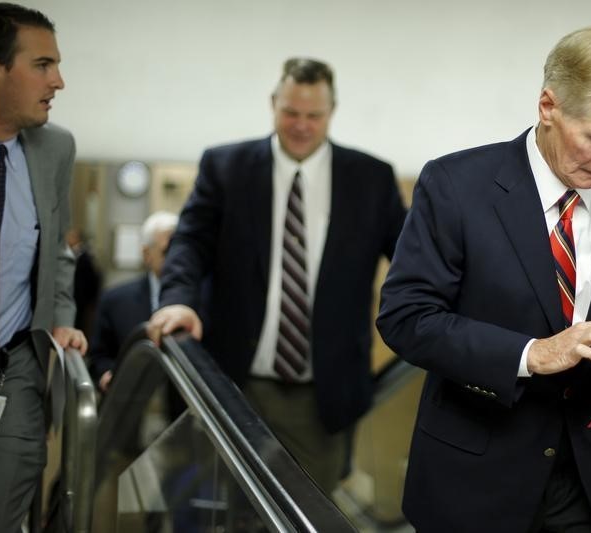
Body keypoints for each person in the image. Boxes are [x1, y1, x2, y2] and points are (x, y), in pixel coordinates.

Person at [376, 26, 591, 533]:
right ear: (549, 106)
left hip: (589, 483)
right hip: (474, 480)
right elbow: (407, 318)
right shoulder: (455, 185)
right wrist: (533, 354)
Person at [149, 57, 407, 494]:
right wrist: (178, 299)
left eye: (313, 115)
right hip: (233, 381)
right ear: (273, 104)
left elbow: (409, 257)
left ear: (332, 111)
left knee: (307, 511)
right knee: (220, 506)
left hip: (322, 392)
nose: (301, 125)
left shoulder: (370, 178)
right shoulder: (225, 167)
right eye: (290, 112)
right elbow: (190, 243)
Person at [0, 4, 86, 531]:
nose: (59, 81)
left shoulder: (55, 149)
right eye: (43, 65)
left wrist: (62, 318)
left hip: (18, 371)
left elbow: (59, 255)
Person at [89, 211, 178, 393]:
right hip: (130, 404)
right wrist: (106, 374)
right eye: (168, 251)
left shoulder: (205, 299)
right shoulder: (115, 300)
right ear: (147, 254)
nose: (178, 259)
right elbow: (98, 357)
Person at [66, 227, 102, 335]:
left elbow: (93, 279)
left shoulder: (85, 257)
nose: (67, 239)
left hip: (81, 300)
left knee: (80, 323)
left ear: (76, 238)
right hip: (74, 298)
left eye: (71, 236)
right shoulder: (72, 254)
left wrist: (90, 300)